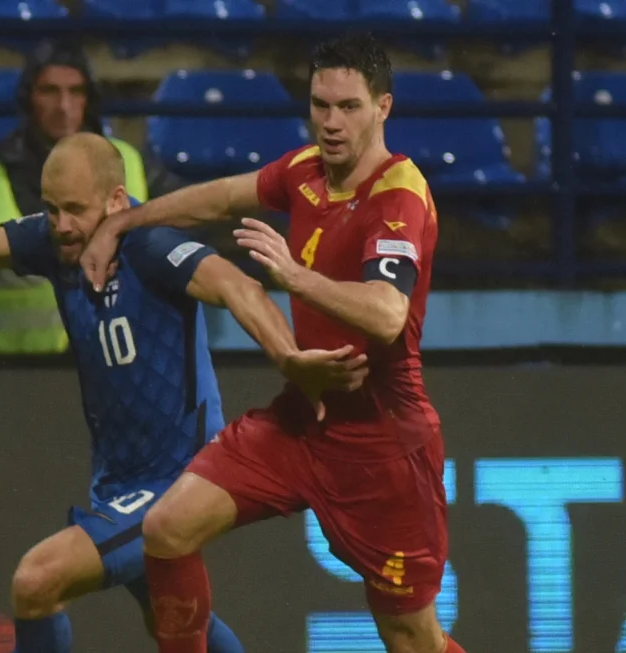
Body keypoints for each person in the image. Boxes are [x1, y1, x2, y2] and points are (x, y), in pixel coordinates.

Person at [0, 133, 367, 653]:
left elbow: (237, 287)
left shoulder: (151, 244)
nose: (62, 226)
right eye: (50, 209)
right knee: (171, 615)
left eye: (74, 210)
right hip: (118, 479)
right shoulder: (54, 240)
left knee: (36, 581)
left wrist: (289, 359)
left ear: (116, 200)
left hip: (181, 477)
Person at [80, 34, 466, 653]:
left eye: (349, 108)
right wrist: (127, 219)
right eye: (320, 105)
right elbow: (220, 196)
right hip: (301, 421)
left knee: (411, 638)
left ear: (383, 107)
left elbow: (388, 315)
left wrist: (295, 278)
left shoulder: (398, 197)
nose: (331, 123)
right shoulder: (304, 171)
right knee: (167, 529)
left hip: (384, 452)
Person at [0, 40, 185, 354]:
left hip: (120, 362)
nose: (64, 106)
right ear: (28, 98)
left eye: (76, 92)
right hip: (18, 368)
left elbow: (186, 227)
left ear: (89, 99)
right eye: (49, 91)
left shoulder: (131, 163)